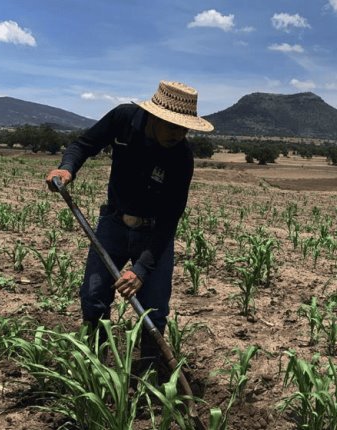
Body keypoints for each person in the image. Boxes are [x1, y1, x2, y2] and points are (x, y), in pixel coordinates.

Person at [45, 80, 213, 369]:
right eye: (174, 126)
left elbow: (171, 218)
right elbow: (83, 144)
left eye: (185, 128)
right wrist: (67, 167)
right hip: (113, 223)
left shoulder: (181, 156)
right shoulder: (124, 119)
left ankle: (148, 373)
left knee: (154, 309)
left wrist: (141, 269)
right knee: (94, 297)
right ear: (156, 117)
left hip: (153, 232)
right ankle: (96, 367)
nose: (180, 134)